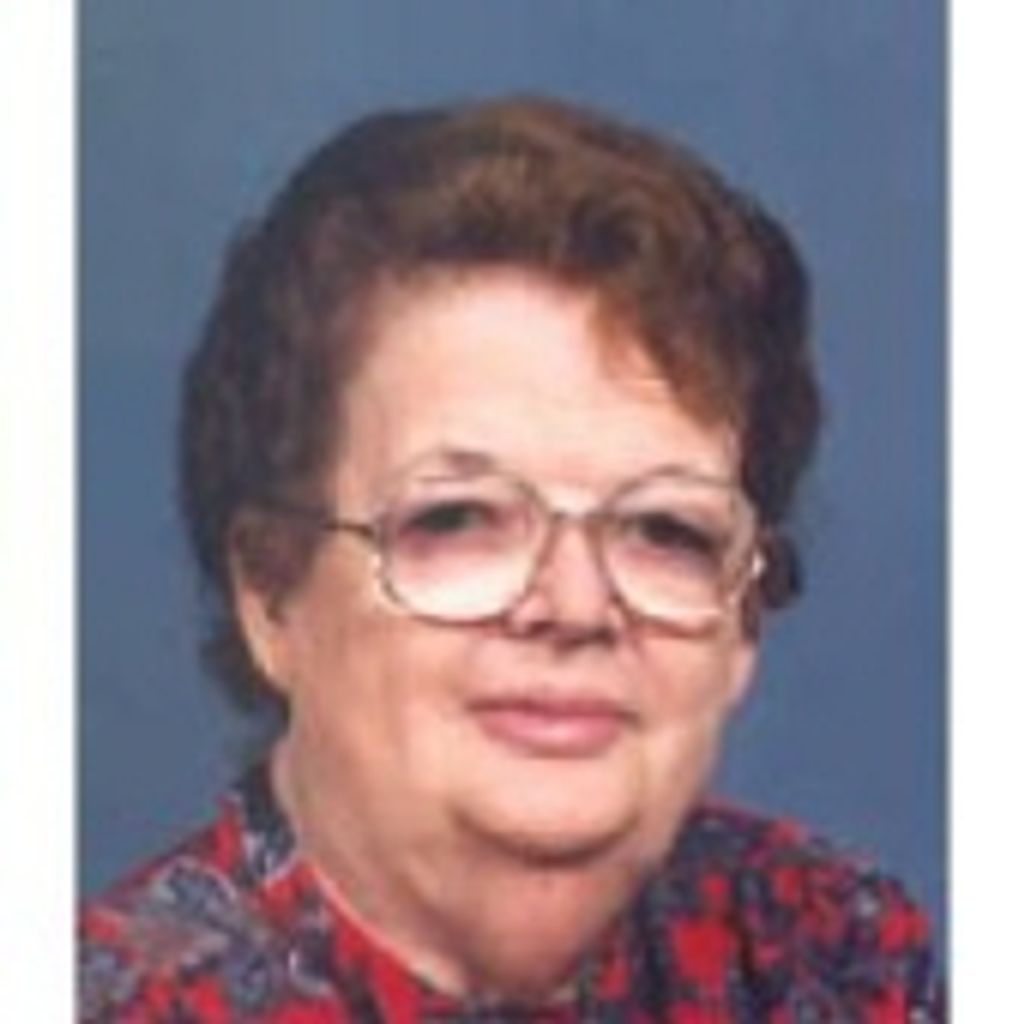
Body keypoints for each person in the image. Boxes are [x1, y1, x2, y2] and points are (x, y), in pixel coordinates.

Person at [79, 95, 941, 1022]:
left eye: (667, 530)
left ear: (744, 621)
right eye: (458, 517)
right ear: (271, 596)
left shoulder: (832, 953)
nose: (575, 605)